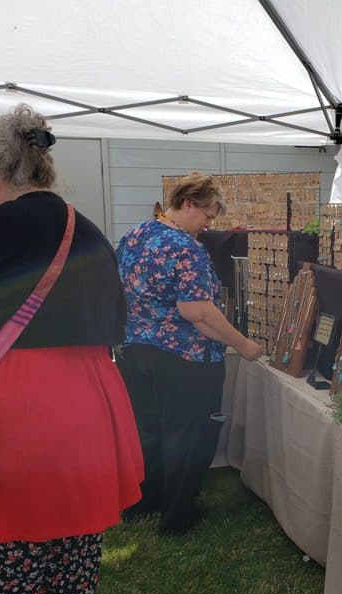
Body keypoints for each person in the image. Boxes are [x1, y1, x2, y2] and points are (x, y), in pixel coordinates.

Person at [0, 104, 144, 594]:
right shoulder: (89, 234)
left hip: (11, 420)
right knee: (68, 560)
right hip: (86, 416)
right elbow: (117, 322)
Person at [116, 172, 263, 535]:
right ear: (186, 204)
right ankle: (177, 515)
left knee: (148, 430)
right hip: (182, 358)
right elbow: (197, 311)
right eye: (208, 215)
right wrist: (243, 345)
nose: (209, 224)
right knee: (186, 434)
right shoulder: (185, 247)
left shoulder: (134, 235)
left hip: (134, 351)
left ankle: (146, 501)